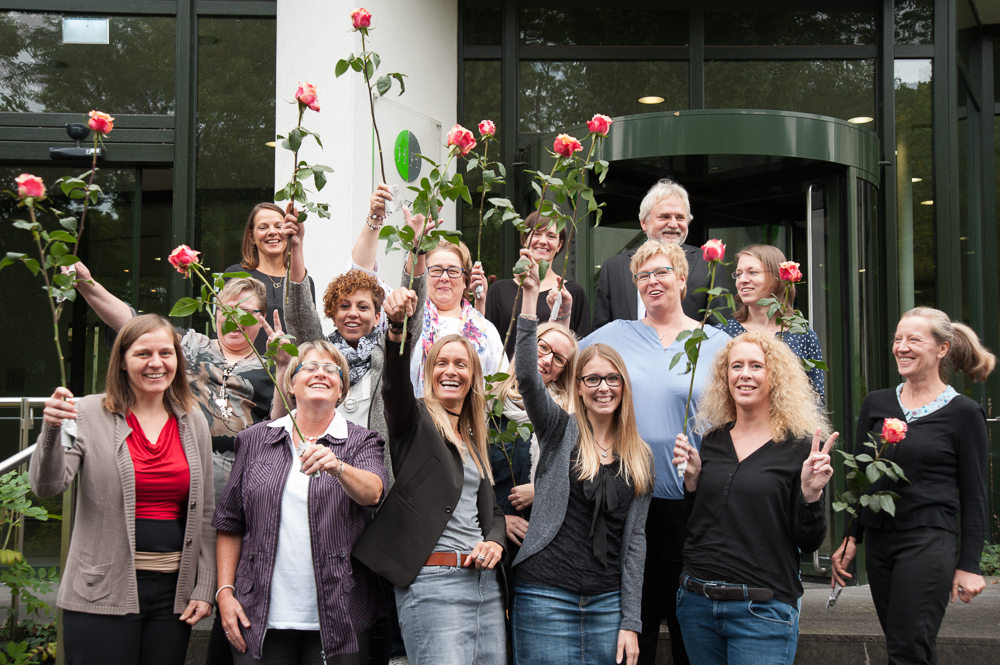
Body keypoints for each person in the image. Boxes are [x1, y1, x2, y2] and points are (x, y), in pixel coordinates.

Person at [30, 314, 216, 665]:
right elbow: (47, 485)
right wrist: (52, 430)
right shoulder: (84, 413)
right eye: (143, 353)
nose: (156, 363)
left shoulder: (192, 420)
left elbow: (205, 510)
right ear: (122, 361)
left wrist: (204, 586)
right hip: (100, 590)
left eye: (166, 353)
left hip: (173, 594)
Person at [581, 238, 730, 665]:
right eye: (643, 275)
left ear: (682, 279)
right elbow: (561, 371)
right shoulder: (615, 335)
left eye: (662, 272)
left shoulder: (714, 342)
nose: (652, 281)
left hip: (692, 502)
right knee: (635, 622)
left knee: (690, 621)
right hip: (629, 499)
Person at [509, 255, 654, 665]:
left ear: (624, 385)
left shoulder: (640, 457)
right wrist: (529, 297)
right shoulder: (560, 429)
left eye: (612, 378)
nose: (602, 387)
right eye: (592, 378)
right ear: (579, 385)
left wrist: (631, 620)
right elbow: (527, 375)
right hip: (545, 595)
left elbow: (635, 544)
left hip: (608, 605)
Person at [831, 307, 995, 665]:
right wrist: (850, 538)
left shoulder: (964, 413)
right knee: (905, 646)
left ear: (942, 350)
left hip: (929, 540)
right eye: (898, 339)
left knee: (908, 648)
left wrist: (969, 564)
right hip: (880, 541)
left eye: (914, 340)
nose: (901, 347)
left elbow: (975, 494)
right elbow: (861, 478)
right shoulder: (877, 402)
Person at [353, 289, 507, 665]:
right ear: (428, 371)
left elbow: (493, 513)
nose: (451, 371)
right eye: (442, 363)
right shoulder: (414, 420)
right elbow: (394, 386)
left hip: (485, 589)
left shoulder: (475, 439)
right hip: (433, 583)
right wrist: (396, 330)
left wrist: (495, 542)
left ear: (473, 377)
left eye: (461, 365)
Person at [213, 340, 389, 664]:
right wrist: (224, 592)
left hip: (342, 616)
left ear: (341, 390)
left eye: (330, 369)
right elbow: (230, 522)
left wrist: (338, 466)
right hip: (259, 614)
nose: (320, 373)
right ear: (291, 384)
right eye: (309, 367)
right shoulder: (255, 440)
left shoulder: (362, 440)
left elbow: (374, 491)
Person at [671, 332, 838, 665]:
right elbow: (701, 522)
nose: (744, 374)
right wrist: (692, 482)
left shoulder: (799, 448)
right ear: (725, 376)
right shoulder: (712, 440)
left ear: (774, 376)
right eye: (736, 366)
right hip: (697, 604)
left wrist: (810, 493)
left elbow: (808, 541)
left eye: (756, 366)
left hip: (762, 608)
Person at [67, 264, 279, 498]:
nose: (235, 318)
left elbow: (279, 427)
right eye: (227, 309)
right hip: (175, 472)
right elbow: (133, 324)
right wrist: (87, 283)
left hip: (242, 484)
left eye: (246, 311)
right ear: (216, 312)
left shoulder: (272, 368)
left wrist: (284, 365)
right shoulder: (191, 344)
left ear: (262, 318)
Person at [488, 318, 579, 598]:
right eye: (542, 347)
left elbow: (585, 480)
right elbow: (468, 477)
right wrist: (498, 521)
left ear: (564, 372)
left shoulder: (568, 418)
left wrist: (542, 491)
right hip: (490, 543)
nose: (547, 359)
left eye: (559, 358)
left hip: (544, 548)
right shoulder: (487, 406)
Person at [593, 178, 711, 329]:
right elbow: (601, 332)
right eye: (665, 216)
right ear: (644, 223)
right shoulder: (614, 267)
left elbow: (719, 327)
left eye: (680, 217)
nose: (674, 224)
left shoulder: (707, 264)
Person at [719, 244, 824, 401]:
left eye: (752, 272)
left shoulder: (802, 334)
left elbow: (816, 398)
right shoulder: (722, 333)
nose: (743, 280)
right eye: (738, 274)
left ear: (777, 278)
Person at [485, 211, 592, 357]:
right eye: (537, 234)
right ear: (524, 239)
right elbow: (488, 344)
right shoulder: (499, 290)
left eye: (551, 236)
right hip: (507, 377)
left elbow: (582, 349)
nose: (543, 241)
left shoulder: (570, 293)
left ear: (560, 245)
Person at [411, 238, 505, 397]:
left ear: (465, 281)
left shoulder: (485, 329)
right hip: (417, 418)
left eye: (453, 271)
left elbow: (501, 387)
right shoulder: (409, 320)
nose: (444, 277)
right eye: (435, 270)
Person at [224, 202, 316, 353]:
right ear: (251, 237)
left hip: (291, 371)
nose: (272, 232)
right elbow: (223, 329)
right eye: (263, 227)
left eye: (279, 226)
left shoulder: (302, 282)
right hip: (248, 369)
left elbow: (309, 335)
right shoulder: (236, 276)